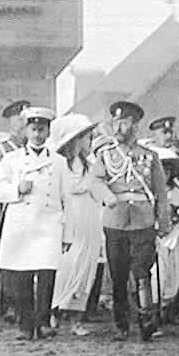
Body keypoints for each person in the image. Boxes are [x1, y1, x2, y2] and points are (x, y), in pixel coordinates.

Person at [0, 106, 67, 341]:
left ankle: (42, 322)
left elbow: (67, 196)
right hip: (21, 223)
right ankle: (25, 323)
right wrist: (16, 189)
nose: (38, 135)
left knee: (46, 274)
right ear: (26, 131)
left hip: (49, 222)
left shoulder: (59, 162)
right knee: (21, 275)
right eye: (33, 129)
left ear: (48, 132)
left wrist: (68, 231)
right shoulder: (11, 160)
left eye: (42, 130)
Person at [94, 99, 171, 341]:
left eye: (124, 123)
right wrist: (107, 196)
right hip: (115, 222)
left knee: (142, 272)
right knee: (118, 274)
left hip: (143, 221)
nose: (118, 128)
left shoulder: (149, 157)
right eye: (115, 122)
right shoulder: (105, 155)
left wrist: (163, 223)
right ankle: (121, 325)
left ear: (135, 126)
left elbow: (160, 192)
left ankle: (146, 320)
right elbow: (95, 182)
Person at [49, 112, 116, 336]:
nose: (90, 142)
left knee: (86, 269)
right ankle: (54, 312)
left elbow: (99, 190)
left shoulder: (92, 164)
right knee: (66, 267)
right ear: (75, 140)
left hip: (89, 218)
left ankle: (76, 319)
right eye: (86, 138)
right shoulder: (59, 164)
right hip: (70, 217)